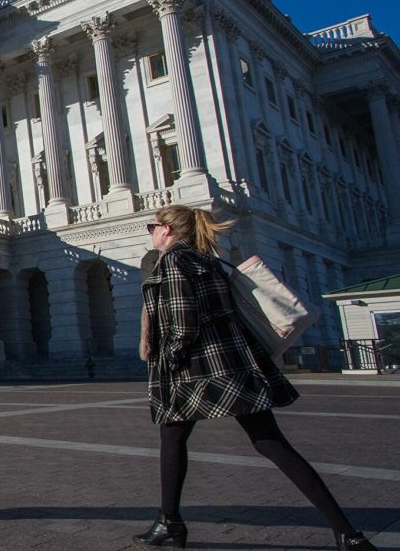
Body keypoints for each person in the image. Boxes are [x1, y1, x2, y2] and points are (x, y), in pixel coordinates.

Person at [135, 204, 376, 550]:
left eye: (152, 227)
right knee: (268, 443)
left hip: (196, 369)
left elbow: (183, 320)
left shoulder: (173, 261)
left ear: (167, 230)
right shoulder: (206, 258)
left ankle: (170, 522)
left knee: (174, 442)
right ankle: (347, 533)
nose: (152, 233)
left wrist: (171, 357)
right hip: (235, 362)